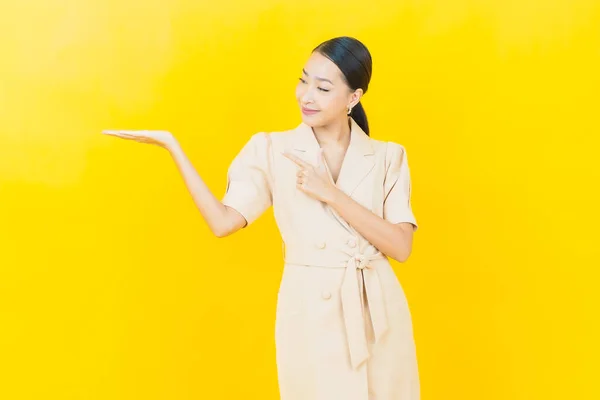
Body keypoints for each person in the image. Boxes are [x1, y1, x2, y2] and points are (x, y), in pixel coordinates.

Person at [103, 36, 420, 400]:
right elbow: (222, 223)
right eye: (303, 81)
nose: (306, 96)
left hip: (376, 313)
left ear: (353, 97)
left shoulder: (387, 157)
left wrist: (330, 192)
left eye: (322, 87)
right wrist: (173, 147)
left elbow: (400, 246)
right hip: (308, 312)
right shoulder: (271, 149)